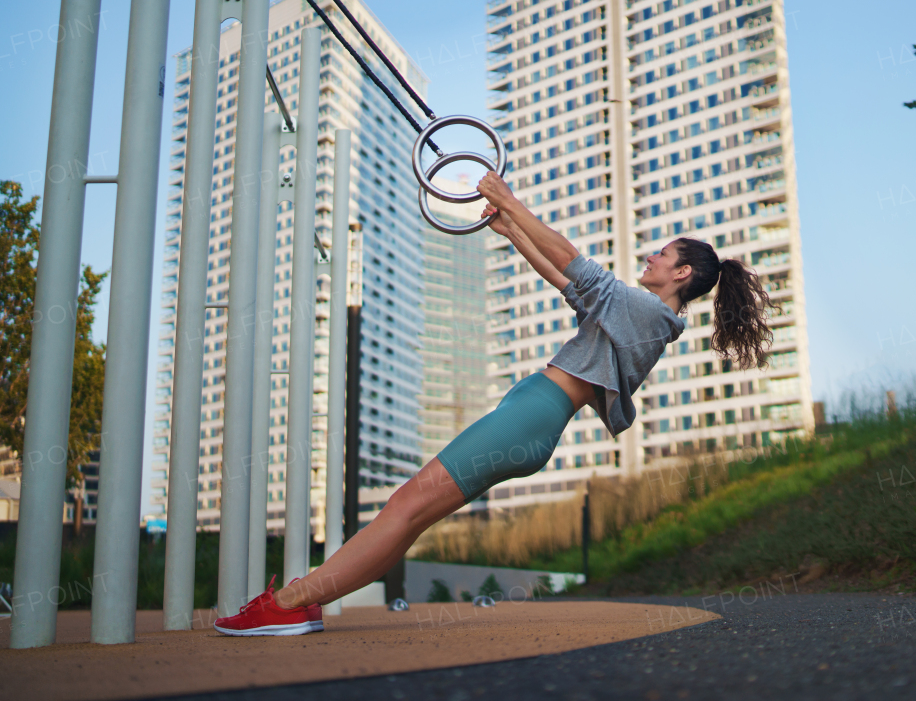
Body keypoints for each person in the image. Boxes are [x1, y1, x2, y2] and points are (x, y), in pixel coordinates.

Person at [215, 170, 773, 635]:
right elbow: (568, 280)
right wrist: (511, 230)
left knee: (404, 505)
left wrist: (510, 200)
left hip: (533, 415)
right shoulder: (641, 313)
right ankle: (306, 600)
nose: (651, 255)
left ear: (682, 273)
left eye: (663, 253)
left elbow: (577, 263)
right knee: (408, 517)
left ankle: (290, 604)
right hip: (532, 412)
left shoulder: (649, 312)